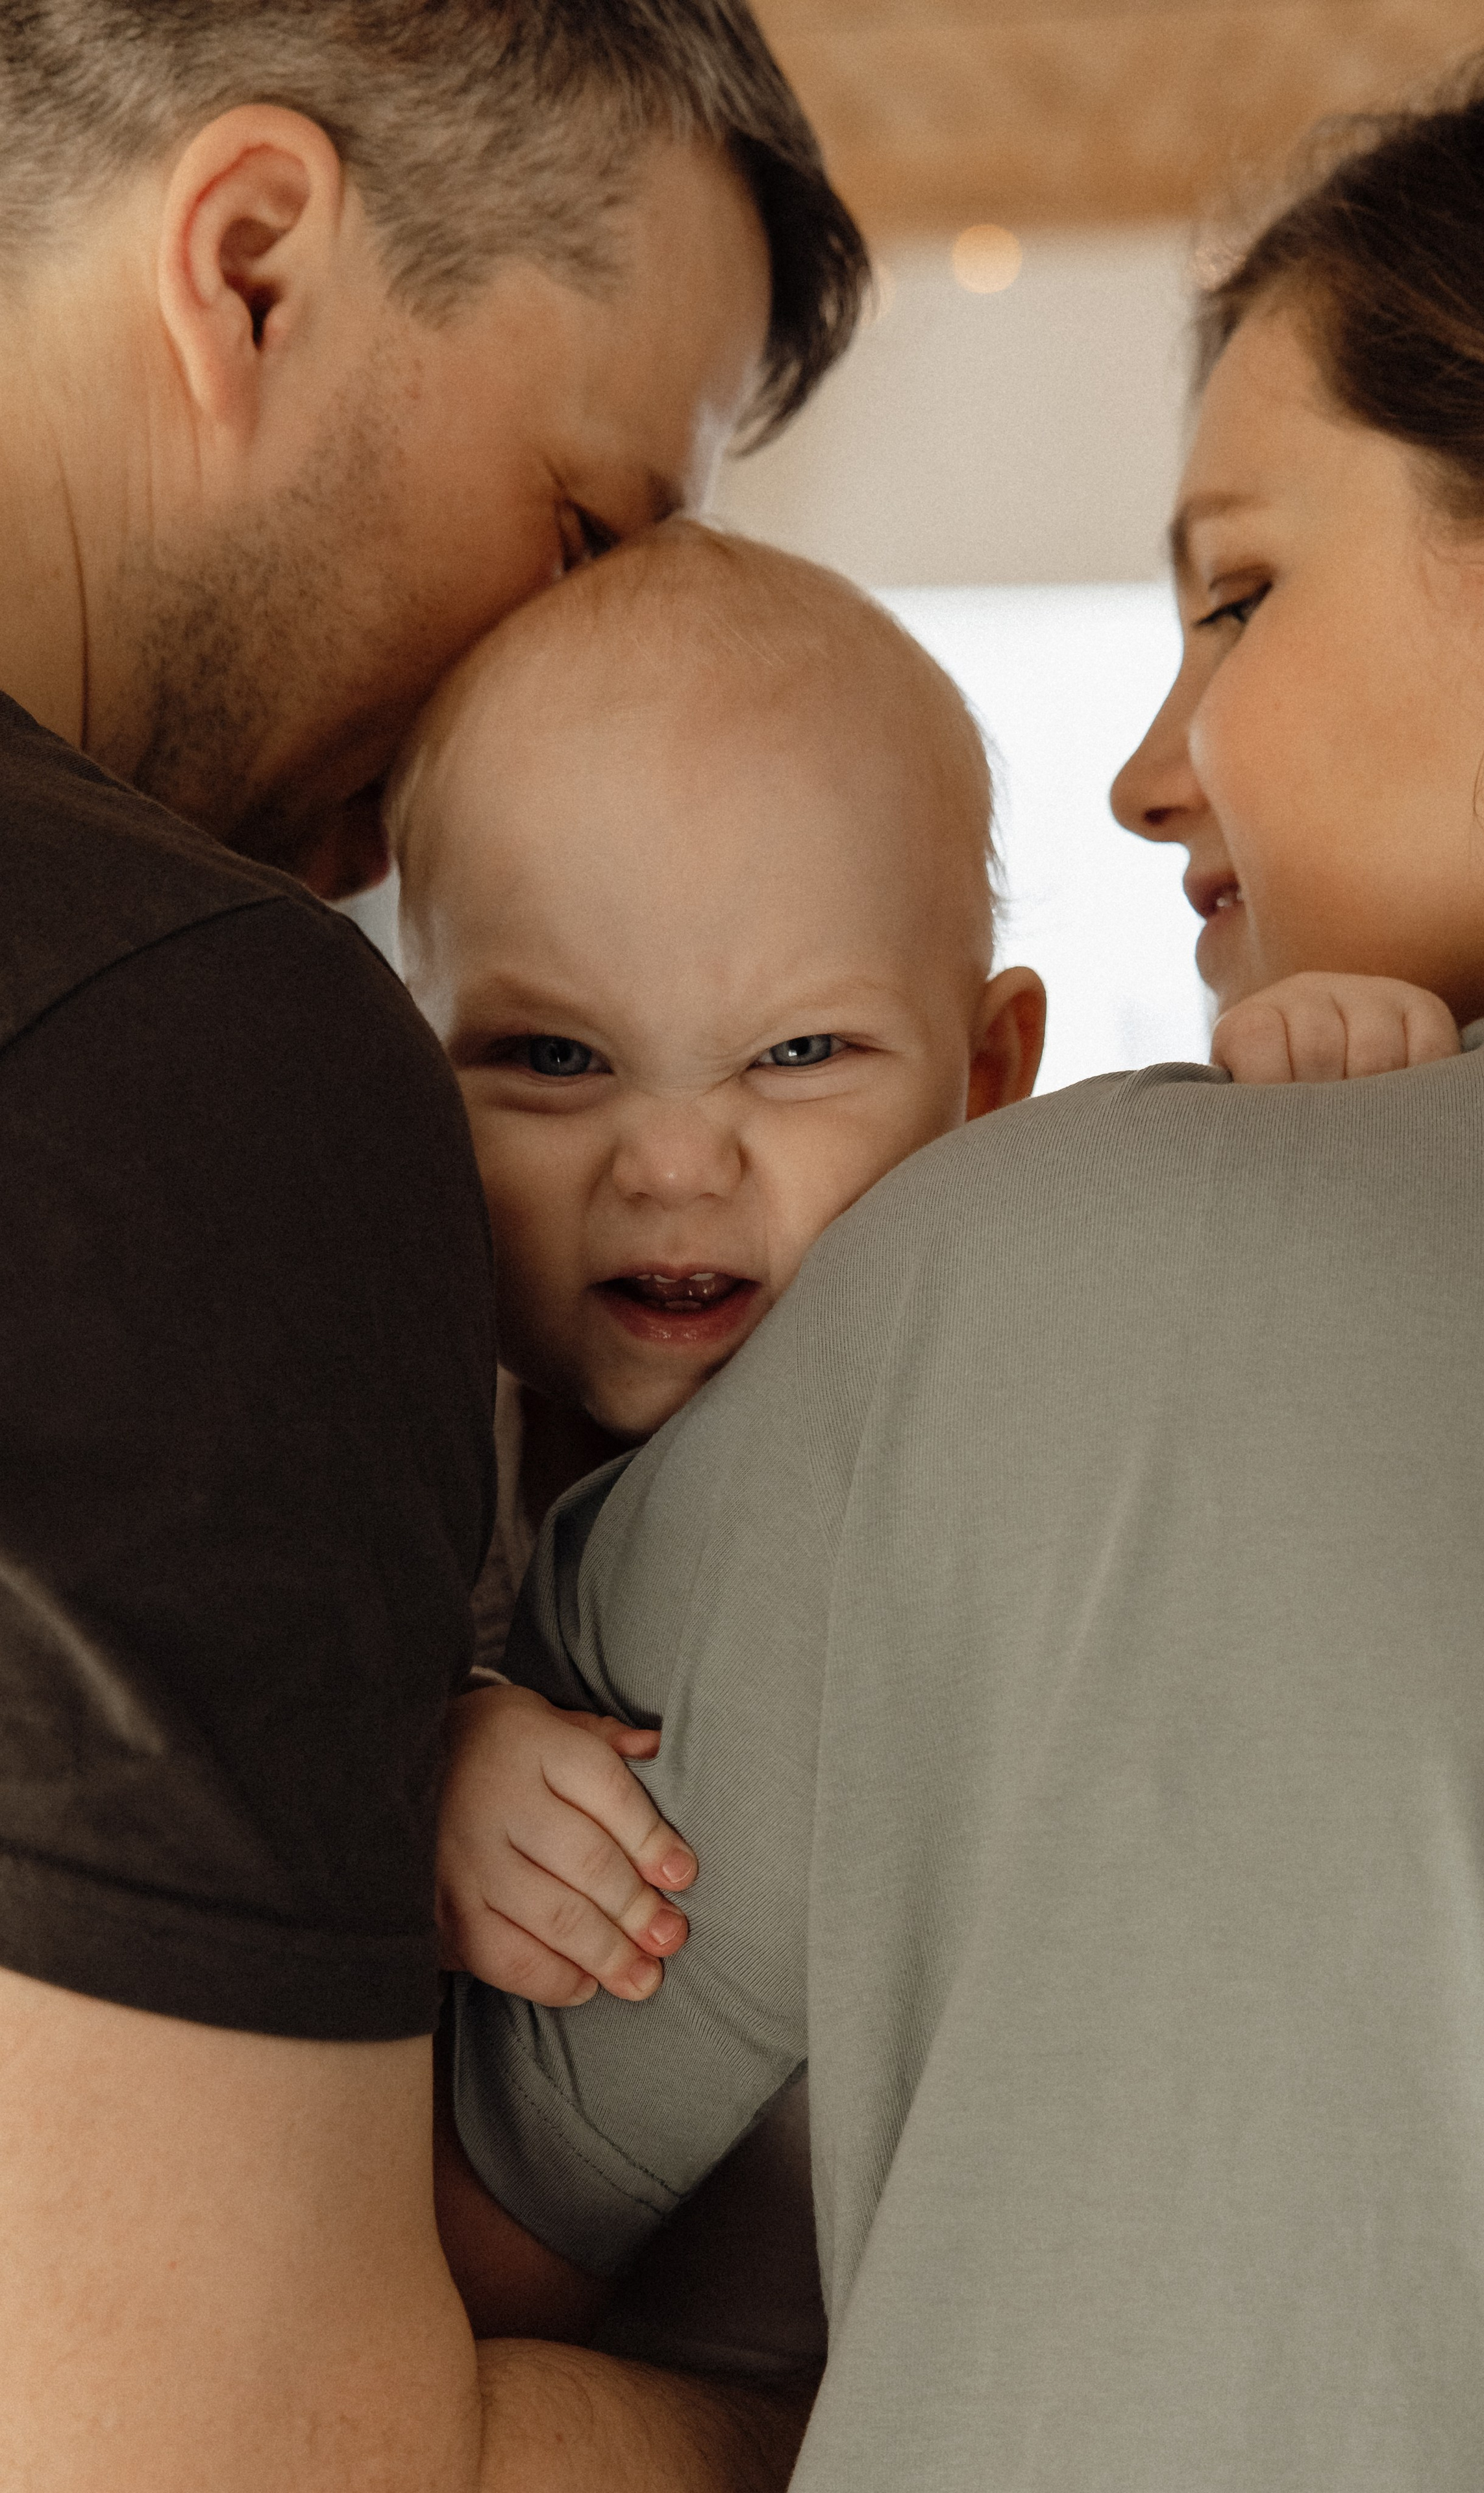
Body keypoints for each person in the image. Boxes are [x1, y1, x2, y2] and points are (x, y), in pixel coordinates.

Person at [438, 23, 1484, 2487]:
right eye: (546, 1057)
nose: (1144, 769)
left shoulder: (1049, 1278)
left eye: (1241, 595)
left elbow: (325, 2317)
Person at [0, 4, 868, 2487]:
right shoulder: (192, 1043)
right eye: (584, 531)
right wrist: (897, 2402)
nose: (545, 690)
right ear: (256, 262)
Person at [390, 519, 1456, 2374]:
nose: (672, 1163)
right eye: (554, 1061)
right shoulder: (398, 1452)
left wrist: (1305, 1106)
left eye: (798, 1056)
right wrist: (425, 1756)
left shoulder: (995, 1352)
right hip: (586, 2371)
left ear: (990, 1077)